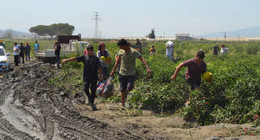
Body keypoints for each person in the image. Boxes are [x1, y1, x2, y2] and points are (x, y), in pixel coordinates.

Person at [110, 39, 151, 108]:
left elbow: (142, 59)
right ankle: (122, 105)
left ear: (125, 45)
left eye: (121, 46)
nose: (120, 48)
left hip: (130, 74)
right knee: (122, 89)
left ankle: (125, 95)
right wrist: (112, 71)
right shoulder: (121, 51)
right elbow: (117, 62)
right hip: (122, 73)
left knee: (130, 87)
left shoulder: (134, 52)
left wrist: (148, 68)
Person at [62, 44, 102, 111]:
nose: (89, 52)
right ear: (86, 51)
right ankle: (89, 98)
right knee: (85, 89)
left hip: (94, 77)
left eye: (90, 51)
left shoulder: (96, 59)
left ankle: (92, 103)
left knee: (93, 90)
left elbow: (99, 68)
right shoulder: (84, 57)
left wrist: (101, 76)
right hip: (86, 76)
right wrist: (67, 60)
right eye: (87, 51)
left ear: (92, 51)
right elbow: (75, 58)